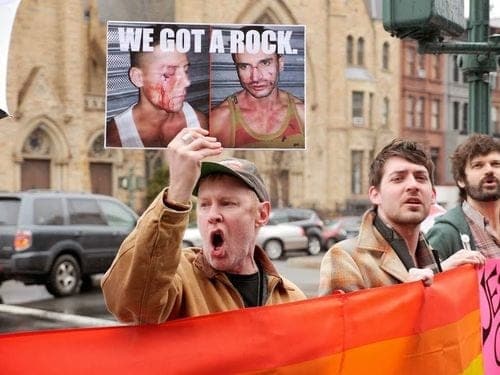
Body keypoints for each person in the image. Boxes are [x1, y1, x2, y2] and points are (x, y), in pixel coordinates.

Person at [101, 128, 306, 323]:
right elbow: (133, 305)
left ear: (261, 214)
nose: (213, 215)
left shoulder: (292, 299)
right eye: (205, 205)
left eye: (227, 203)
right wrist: (177, 194)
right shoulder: (177, 277)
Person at [318, 139, 484, 295]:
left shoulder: (434, 258)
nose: (412, 185)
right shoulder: (344, 259)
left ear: (433, 195)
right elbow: (342, 325)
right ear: (375, 195)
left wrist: (445, 276)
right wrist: (406, 295)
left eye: (420, 178)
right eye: (398, 179)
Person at [106, 25, 207, 148]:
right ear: (138, 78)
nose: (187, 82)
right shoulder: (116, 136)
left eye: (185, 70)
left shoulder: (199, 123)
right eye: (168, 73)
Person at [210, 26, 305, 149]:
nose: (255, 78)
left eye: (265, 63)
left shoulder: (303, 114)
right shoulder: (219, 120)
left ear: (280, 64)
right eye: (244, 66)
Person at [427, 134, 500, 259]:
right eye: (478, 165)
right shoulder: (445, 233)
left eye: (496, 164)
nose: (489, 170)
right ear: (461, 180)